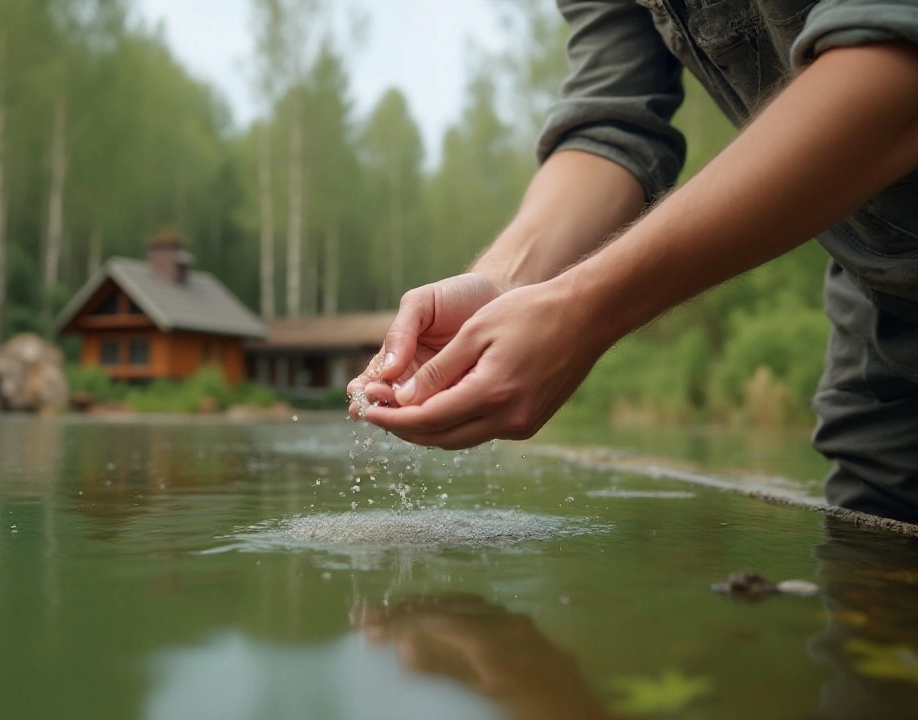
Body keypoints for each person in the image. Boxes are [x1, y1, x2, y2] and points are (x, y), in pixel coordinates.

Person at [347, 0, 918, 523]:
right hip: (883, 303)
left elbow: (894, 73)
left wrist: (583, 308)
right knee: (873, 581)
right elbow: (612, 125)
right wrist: (503, 283)